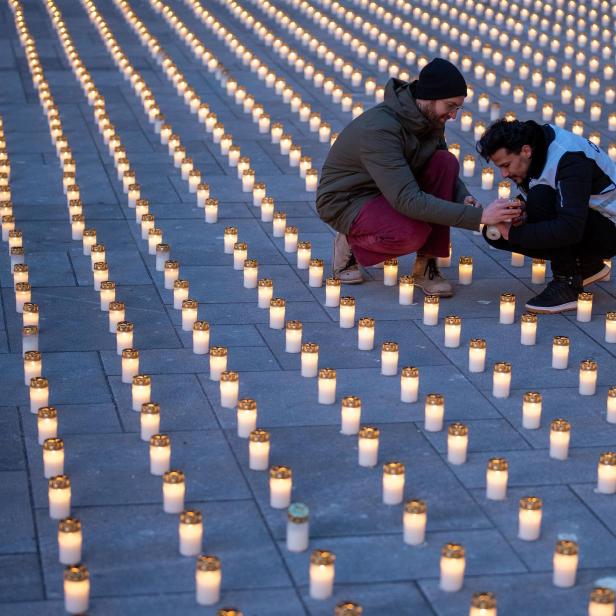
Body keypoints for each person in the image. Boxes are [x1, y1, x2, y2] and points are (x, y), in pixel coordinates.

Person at [316, 57, 519, 295]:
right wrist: (480, 216)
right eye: (450, 105)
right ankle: (351, 242)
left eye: (458, 107)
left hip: (390, 187)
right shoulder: (380, 130)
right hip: (348, 200)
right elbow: (407, 200)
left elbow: (441, 167)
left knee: (444, 161)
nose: (454, 115)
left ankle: (427, 266)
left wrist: (463, 197)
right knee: (412, 235)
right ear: (429, 98)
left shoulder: (430, 117)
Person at [477, 119, 616, 313]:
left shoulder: (569, 159)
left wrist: (514, 234)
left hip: (610, 229)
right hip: (586, 217)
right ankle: (587, 265)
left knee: (539, 198)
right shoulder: (536, 147)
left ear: (526, 150)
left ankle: (567, 283)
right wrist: (519, 211)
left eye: (506, 165)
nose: (503, 174)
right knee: (494, 231)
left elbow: (569, 228)